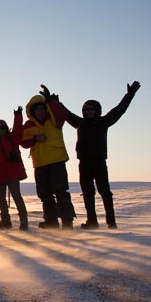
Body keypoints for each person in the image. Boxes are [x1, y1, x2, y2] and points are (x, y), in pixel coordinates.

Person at [60, 81, 141, 229]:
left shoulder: (104, 122)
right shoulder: (80, 123)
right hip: (84, 163)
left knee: (105, 192)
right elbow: (65, 113)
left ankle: (111, 222)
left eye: (93, 109)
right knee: (87, 193)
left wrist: (130, 94)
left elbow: (120, 109)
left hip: (99, 162)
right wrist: (53, 101)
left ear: (97, 110)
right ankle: (92, 222)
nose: (90, 111)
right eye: (87, 109)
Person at [21, 85, 76, 229]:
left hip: (56, 160)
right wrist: (34, 139)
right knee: (44, 194)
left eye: (41, 108)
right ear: (32, 111)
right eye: (36, 109)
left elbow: (62, 115)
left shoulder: (54, 119)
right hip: (39, 163)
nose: (39, 111)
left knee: (60, 191)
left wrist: (50, 99)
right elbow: (22, 142)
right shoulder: (28, 125)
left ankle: (67, 221)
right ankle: (51, 220)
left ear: (45, 108)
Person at [0, 107, 29, 231]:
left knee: (16, 197)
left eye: (3, 128)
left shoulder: (12, 138)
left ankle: (24, 221)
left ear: (5, 128)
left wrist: (18, 116)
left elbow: (18, 129)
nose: (1, 130)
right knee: (1, 200)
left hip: (12, 173)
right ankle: (5, 221)